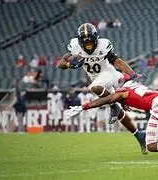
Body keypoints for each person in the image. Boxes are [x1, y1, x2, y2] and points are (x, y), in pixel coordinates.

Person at [58, 23, 146, 154]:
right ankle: (139, 135)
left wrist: (131, 74)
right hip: (98, 79)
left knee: (94, 87)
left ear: (96, 39)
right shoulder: (75, 46)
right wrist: (70, 64)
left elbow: (117, 61)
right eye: (85, 41)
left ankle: (114, 105)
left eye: (90, 40)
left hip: (109, 74)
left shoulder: (103, 45)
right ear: (80, 41)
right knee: (120, 113)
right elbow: (61, 64)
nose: (88, 43)